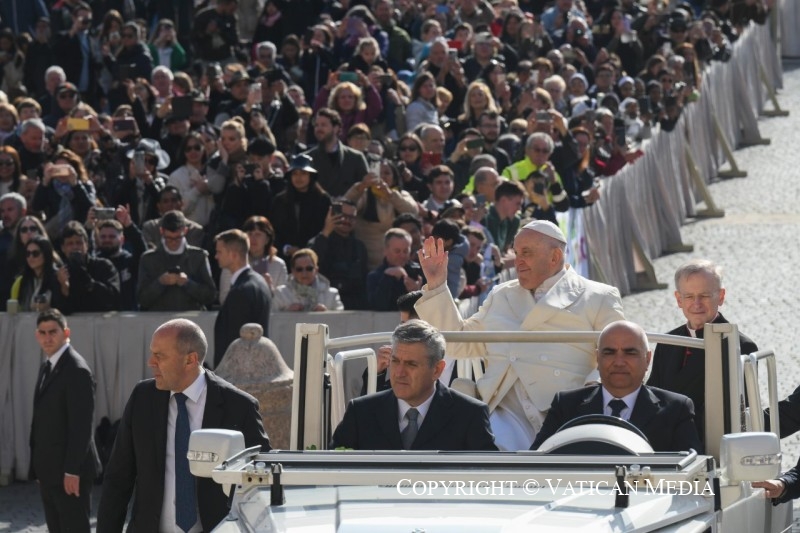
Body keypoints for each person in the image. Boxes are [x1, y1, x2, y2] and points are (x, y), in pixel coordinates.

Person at [415, 220, 625, 451]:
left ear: (555, 257)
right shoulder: (502, 294)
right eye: (516, 253)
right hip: (503, 411)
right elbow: (458, 341)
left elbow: (620, 355)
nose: (518, 261)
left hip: (564, 412)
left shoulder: (598, 296)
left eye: (527, 253)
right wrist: (436, 285)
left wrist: (591, 392)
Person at [97, 318, 270, 532]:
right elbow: (118, 478)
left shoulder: (238, 407)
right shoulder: (142, 398)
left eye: (159, 356)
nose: (150, 362)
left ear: (190, 360)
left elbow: (262, 481)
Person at [531, 321, 703, 453]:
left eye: (630, 352)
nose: (619, 362)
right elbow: (536, 460)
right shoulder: (566, 405)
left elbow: (692, 473)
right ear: (597, 358)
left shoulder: (676, 409)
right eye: (609, 352)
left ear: (648, 359)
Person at [331, 319, 497, 451]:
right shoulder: (361, 413)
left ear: (437, 370)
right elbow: (333, 472)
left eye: (411, 364)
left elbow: (487, 478)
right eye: (395, 362)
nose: (399, 372)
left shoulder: (469, 415)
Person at [647, 259, 758, 439]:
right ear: (678, 299)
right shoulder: (667, 342)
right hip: (665, 442)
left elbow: (734, 413)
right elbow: (652, 395)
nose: (696, 304)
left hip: (708, 443)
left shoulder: (739, 345)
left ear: (721, 296)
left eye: (705, 296)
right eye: (689, 296)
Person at [30, 308, 99, 533]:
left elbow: (81, 426)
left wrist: (72, 471)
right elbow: (41, 421)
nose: (48, 337)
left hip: (70, 474)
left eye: (53, 332)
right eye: (43, 332)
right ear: (36, 335)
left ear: (66, 332)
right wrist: (39, 469)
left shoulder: (77, 370)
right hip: (50, 471)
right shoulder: (47, 366)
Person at [137, 211, 217, 312]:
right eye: (169, 238)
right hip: (159, 320)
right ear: (161, 231)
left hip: (191, 320)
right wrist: (160, 282)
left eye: (178, 238)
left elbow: (210, 296)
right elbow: (142, 299)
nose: (174, 242)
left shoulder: (198, 257)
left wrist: (187, 283)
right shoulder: (148, 259)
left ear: (185, 231)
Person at [213, 229, 271, 367]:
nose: (216, 256)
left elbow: (235, 341)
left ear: (233, 255)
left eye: (219, 252)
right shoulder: (259, 281)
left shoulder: (241, 291)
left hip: (241, 372)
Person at [308, 201, 369, 310]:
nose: (347, 220)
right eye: (343, 216)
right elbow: (310, 264)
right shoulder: (320, 241)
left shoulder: (359, 247)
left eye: (351, 217)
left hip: (354, 307)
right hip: (325, 303)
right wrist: (326, 231)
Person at [58, 221, 121, 313]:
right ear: (63, 248)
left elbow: (113, 299)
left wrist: (88, 281)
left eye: (79, 243)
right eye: (70, 244)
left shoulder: (104, 266)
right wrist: (64, 288)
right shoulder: (61, 273)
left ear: (87, 245)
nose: (75, 247)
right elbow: (61, 311)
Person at [366, 228, 423, 312]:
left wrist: (416, 292)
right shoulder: (375, 277)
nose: (402, 255)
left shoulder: (418, 273)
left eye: (405, 251)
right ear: (385, 251)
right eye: (397, 251)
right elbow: (377, 307)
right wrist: (387, 279)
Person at [273, 248, 343, 312]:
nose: (304, 273)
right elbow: (271, 320)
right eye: (299, 269)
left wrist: (327, 313)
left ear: (316, 270)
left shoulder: (331, 294)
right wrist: (286, 313)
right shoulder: (281, 294)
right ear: (293, 271)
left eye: (309, 268)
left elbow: (342, 321)